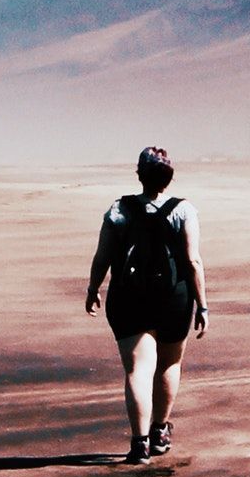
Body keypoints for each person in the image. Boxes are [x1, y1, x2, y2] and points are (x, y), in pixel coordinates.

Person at [84, 144, 207, 461]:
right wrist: (203, 305)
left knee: (138, 370)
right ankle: (160, 431)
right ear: (169, 177)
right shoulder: (184, 210)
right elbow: (193, 261)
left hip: (128, 298)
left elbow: (103, 257)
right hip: (174, 298)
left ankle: (140, 444)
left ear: (139, 174)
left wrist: (93, 288)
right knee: (169, 364)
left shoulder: (119, 210)